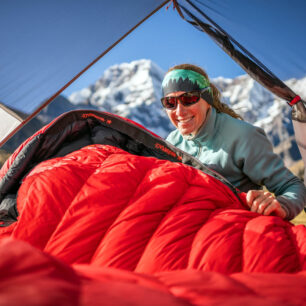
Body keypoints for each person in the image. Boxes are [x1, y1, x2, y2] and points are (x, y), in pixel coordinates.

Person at [161, 63, 306, 220]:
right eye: (170, 102)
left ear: (207, 98)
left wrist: (282, 206)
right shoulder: (171, 142)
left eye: (188, 99)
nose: (179, 111)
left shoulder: (243, 136)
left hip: (236, 229)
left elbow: (293, 186)